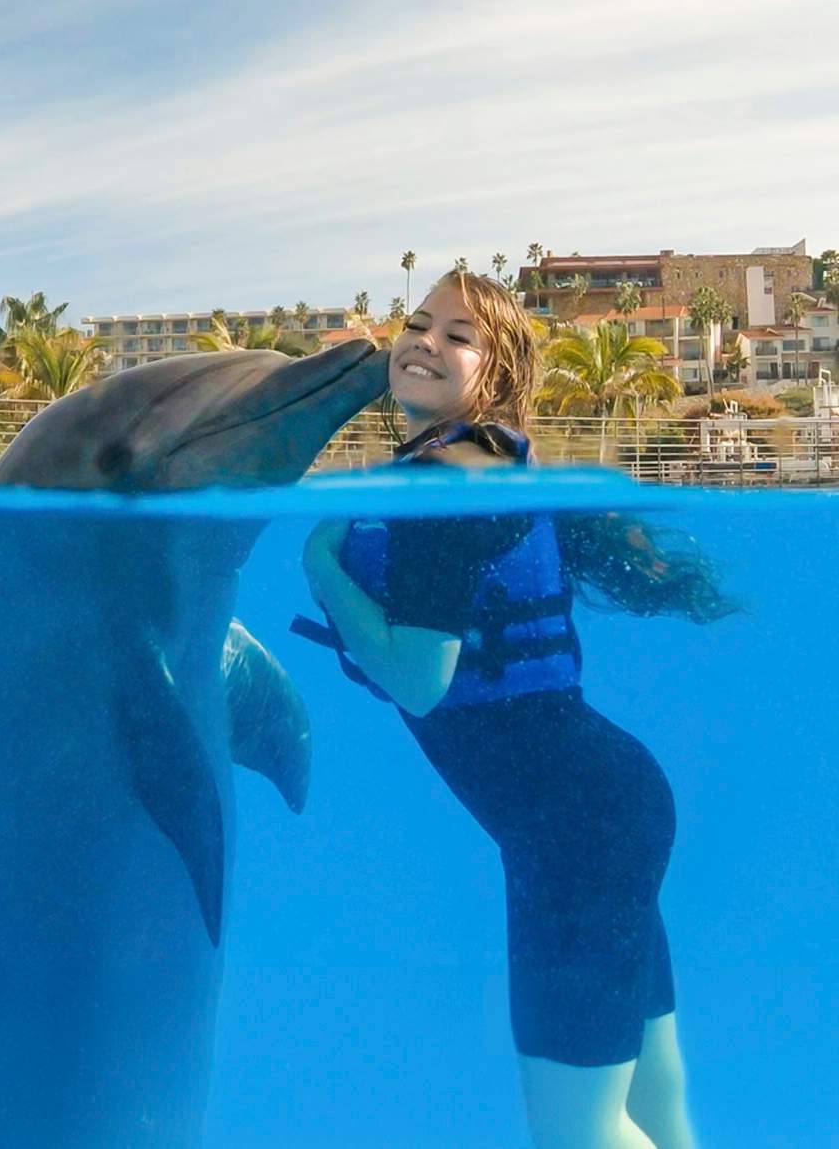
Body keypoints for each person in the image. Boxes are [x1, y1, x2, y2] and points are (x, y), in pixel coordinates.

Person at [300, 271, 733, 1149]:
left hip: (575, 835)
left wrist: (321, 565)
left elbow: (419, 678)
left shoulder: (450, 477)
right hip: (602, 813)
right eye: (418, 322)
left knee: (581, 1136)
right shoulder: (487, 460)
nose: (424, 339)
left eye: (458, 335)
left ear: (497, 370)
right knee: (656, 1115)